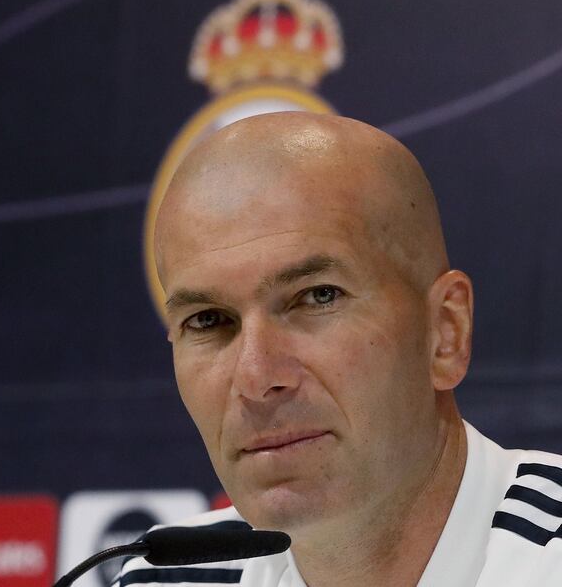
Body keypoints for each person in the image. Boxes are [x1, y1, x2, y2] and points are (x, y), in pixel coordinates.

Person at [114, 113, 562, 587]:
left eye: (317, 296)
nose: (256, 377)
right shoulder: (164, 578)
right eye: (208, 320)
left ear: (445, 332)